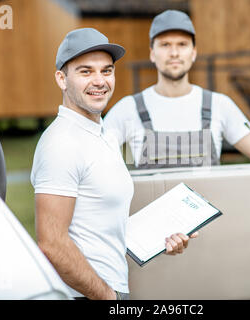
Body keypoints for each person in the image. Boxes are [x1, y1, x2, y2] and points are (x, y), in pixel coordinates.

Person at [30, 28, 196, 300]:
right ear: (62, 79)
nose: (99, 81)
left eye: (106, 71)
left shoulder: (103, 133)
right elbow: (52, 243)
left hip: (110, 288)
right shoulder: (61, 144)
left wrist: (162, 235)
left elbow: (101, 218)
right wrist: (108, 297)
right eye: (85, 72)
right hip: (86, 294)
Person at [104, 10, 250, 170]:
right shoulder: (127, 109)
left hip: (209, 210)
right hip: (150, 209)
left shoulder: (219, 105)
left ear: (193, 52)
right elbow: (94, 162)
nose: (174, 53)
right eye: (165, 45)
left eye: (182, 44)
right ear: (152, 53)